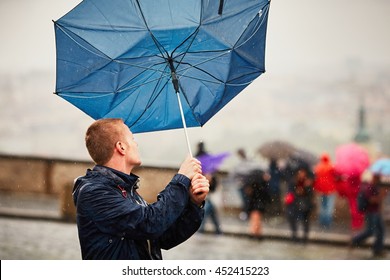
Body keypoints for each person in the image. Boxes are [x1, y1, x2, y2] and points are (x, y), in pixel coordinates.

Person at [72, 118, 209, 260]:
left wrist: (194, 203)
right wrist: (182, 178)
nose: (136, 143)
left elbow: (163, 237)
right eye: (132, 139)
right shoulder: (94, 192)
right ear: (121, 147)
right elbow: (151, 223)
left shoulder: (126, 190)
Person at [350, 173, 387, 257]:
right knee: (370, 231)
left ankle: (378, 250)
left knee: (381, 231)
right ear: (374, 178)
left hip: (376, 212)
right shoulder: (369, 188)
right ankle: (355, 240)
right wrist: (381, 195)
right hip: (371, 213)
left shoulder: (376, 187)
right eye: (378, 178)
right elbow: (371, 200)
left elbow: (378, 202)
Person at [195, 141, 222, 234]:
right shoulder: (208, 160)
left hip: (207, 194)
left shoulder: (197, 158)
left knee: (206, 212)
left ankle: (202, 229)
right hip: (209, 194)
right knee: (211, 212)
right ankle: (218, 231)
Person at [285, 167, 315, 243]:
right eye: (300, 172)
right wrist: (296, 193)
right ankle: (294, 235)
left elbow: (310, 194)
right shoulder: (293, 182)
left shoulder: (308, 182)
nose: (301, 174)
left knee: (305, 220)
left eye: (303, 172)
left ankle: (305, 237)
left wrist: (306, 188)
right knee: (292, 219)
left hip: (305, 204)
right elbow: (290, 193)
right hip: (295, 204)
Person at [313, 153, 337, 229]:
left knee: (322, 207)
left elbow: (315, 178)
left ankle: (321, 221)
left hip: (320, 190)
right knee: (329, 207)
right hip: (330, 190)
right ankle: (328, 223)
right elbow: (336, 176)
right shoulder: (331, 167)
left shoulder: (318, 167)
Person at [246, 169, 271, 237]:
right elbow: (265, 195)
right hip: (257, 204)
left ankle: (256, 232)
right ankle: (255, 232)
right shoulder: (259, 184)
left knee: (257, 218)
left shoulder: (262, 184)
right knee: (256, 218)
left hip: (257, 204)